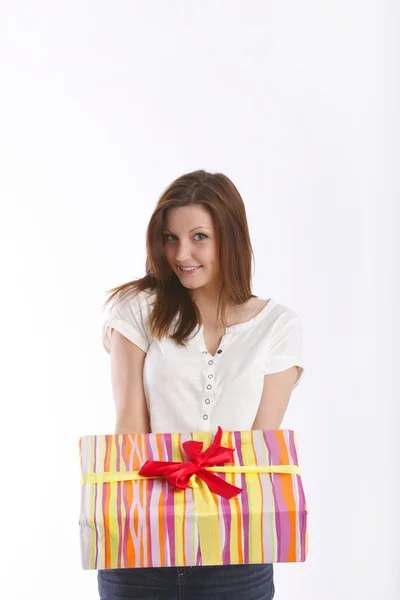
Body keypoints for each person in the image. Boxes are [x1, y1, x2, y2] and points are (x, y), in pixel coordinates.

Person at [97, 169, 304, 599]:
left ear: (231, 237)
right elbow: (130, 425)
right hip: (142, 544)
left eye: (199, 237)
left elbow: (259, 449)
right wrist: (138, 523)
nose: (182, 253)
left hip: (235, 553)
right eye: (170, 238)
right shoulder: (136, 308)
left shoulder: (277, 325)